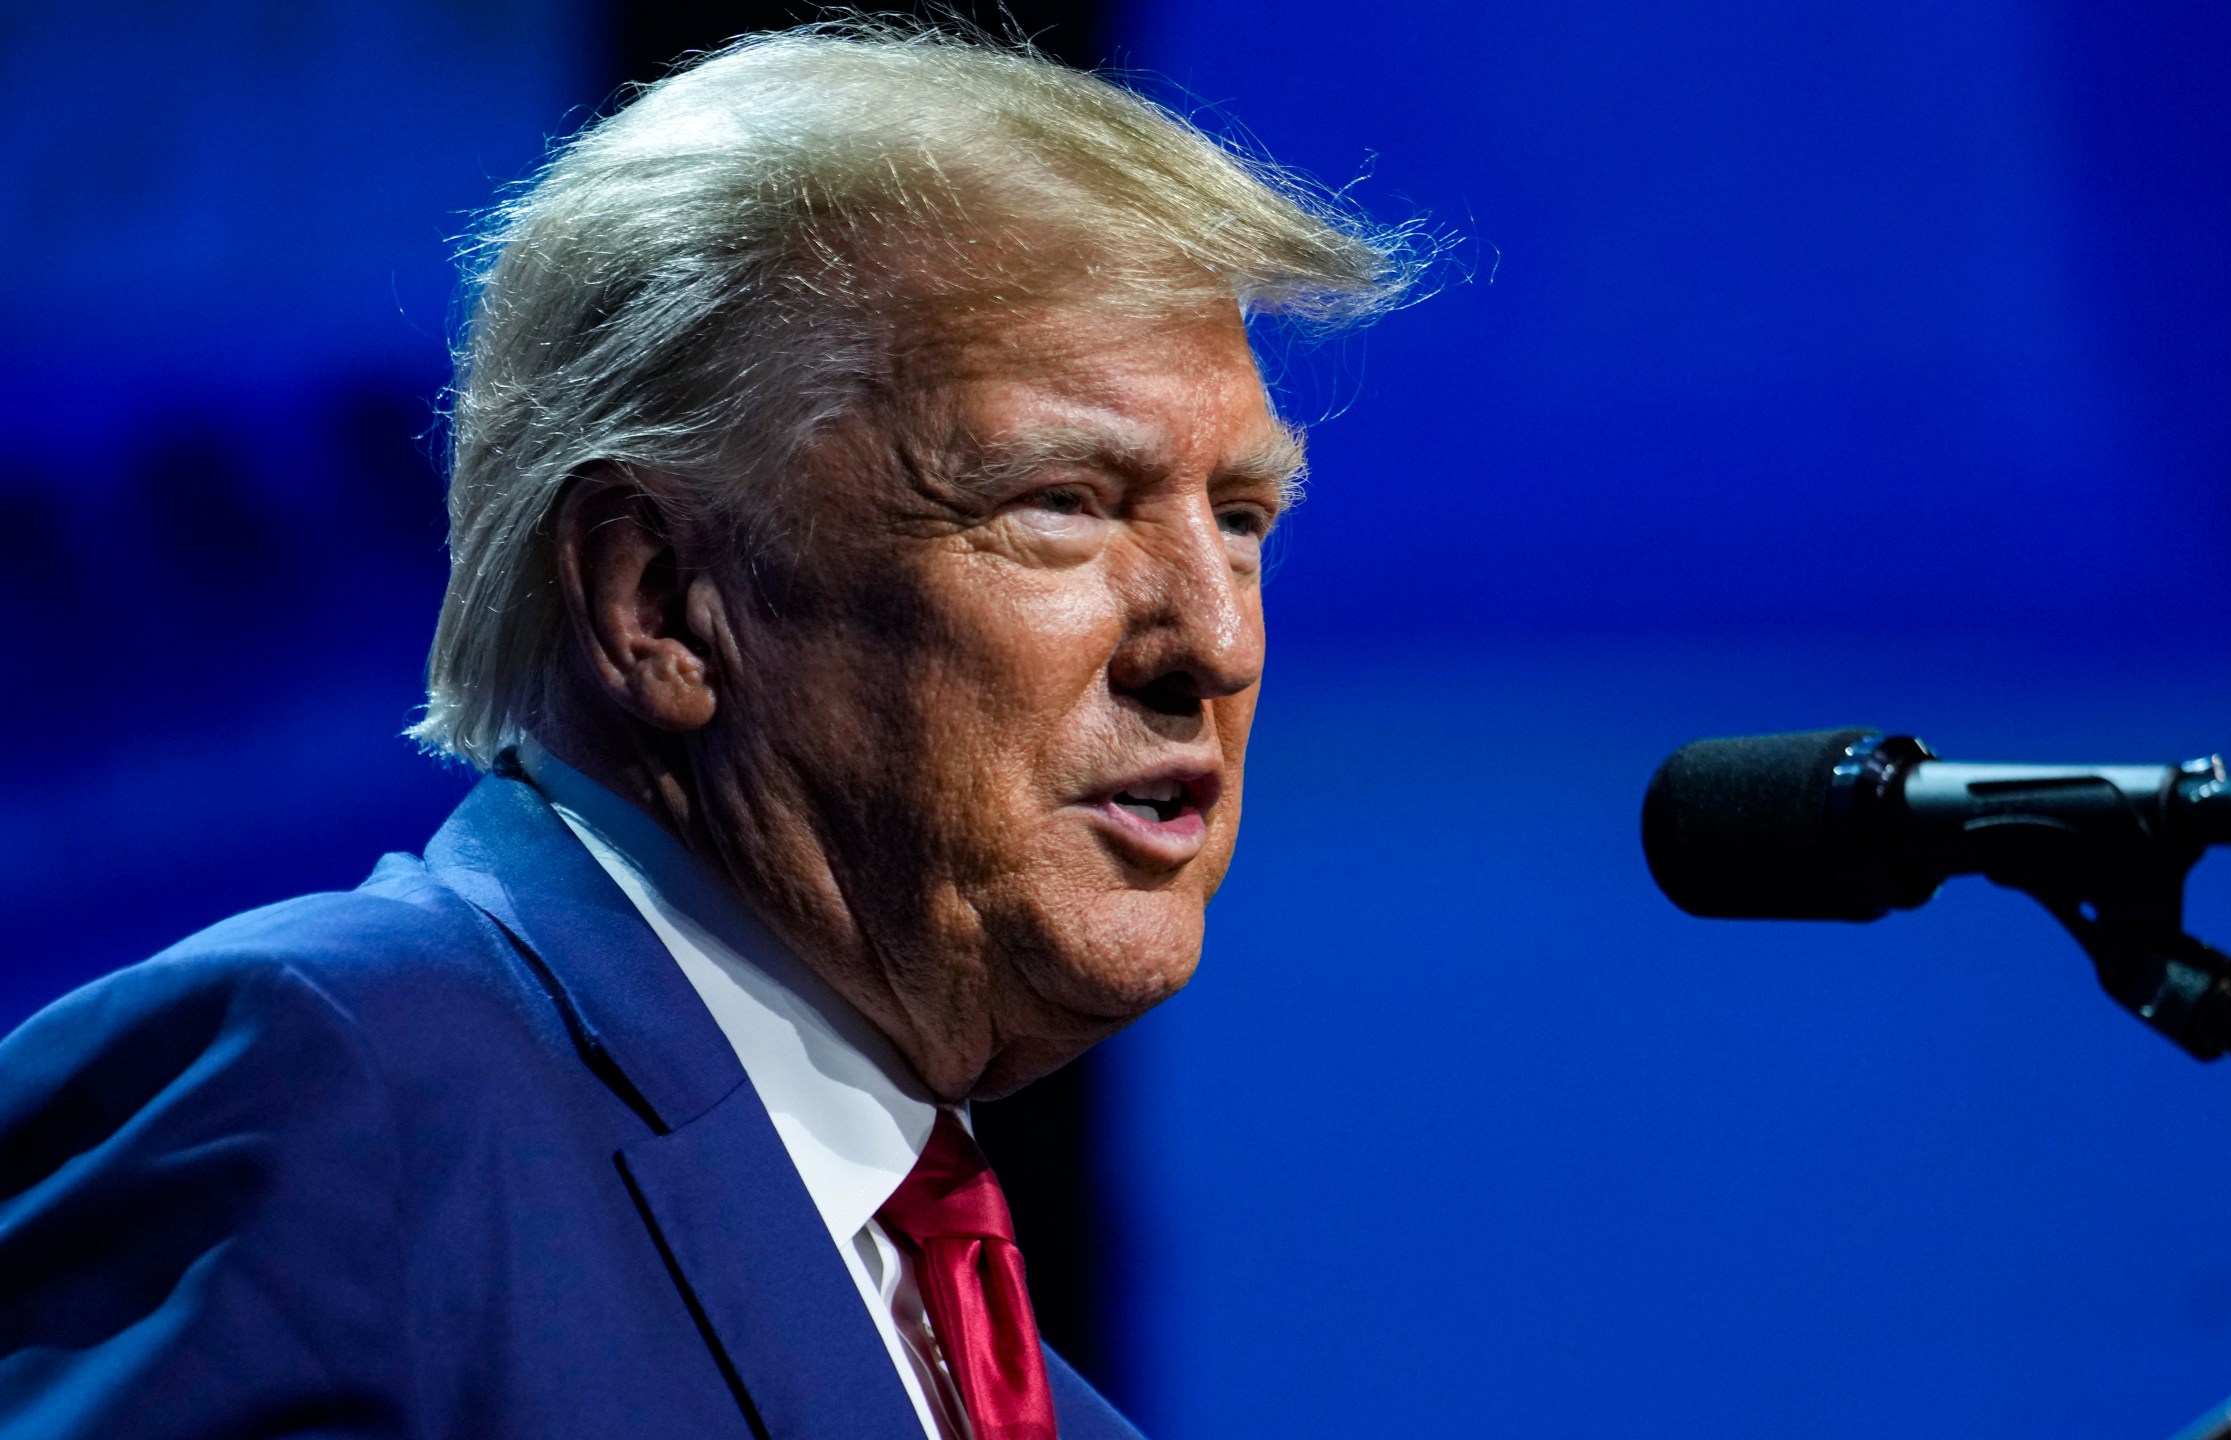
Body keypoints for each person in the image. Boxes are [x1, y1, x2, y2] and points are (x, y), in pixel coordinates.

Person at [0, 23, 1412, 1440]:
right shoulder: (325, 1095)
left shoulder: (1041, 1407)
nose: (1214, 644)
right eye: (1061, 502)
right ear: (658, 600)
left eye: (1239, 521)